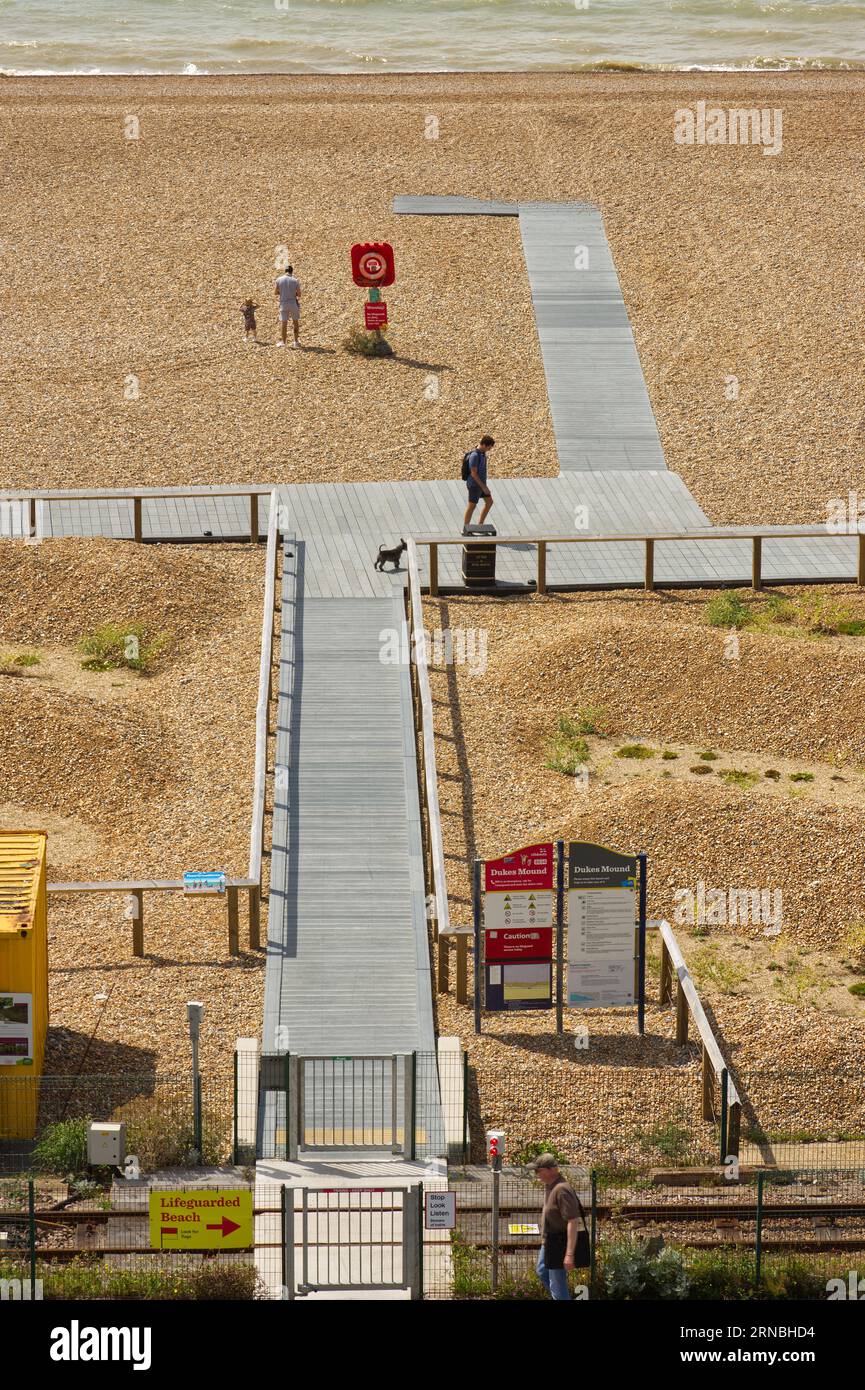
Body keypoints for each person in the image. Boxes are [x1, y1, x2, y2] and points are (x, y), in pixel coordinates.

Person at [534, 1153, 585, 1302]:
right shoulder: (550, 1186)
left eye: (538, 1170)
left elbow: (573, 1221)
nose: (536, 1174)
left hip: (559, 1243)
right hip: (549, 1242)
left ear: (551, 1170)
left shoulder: (562, 1190)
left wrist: (569, 1254)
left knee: (557, 1284)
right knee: (542, 1271)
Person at [463, 435, 495, 533]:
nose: (489, 450)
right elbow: (473, 473)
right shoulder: (475, 456)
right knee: (471, 506)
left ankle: (480, 525)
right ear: (484, 445)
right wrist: (484, 487)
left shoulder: (482, 454)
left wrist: (484, 486)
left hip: (481, 485)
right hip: (474, 485)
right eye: (489, 447)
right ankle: (465, 528)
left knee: (489, 502)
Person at [275, 264, 302, 348]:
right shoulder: (295, 280)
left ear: (285, 271)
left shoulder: (279, 279)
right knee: (295, 322)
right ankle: (296, 342)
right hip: (293, 303)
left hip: (283, 303)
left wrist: (282, 293)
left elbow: (275, 292)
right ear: (291, 271)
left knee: (284, 323)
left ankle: (284, 342)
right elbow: (299, 294)